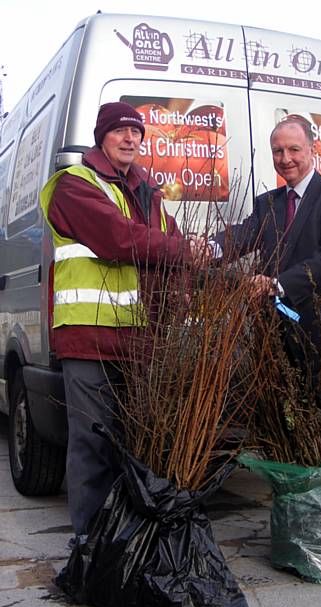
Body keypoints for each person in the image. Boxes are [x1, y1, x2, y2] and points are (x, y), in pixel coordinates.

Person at [40, 102, 196, 537]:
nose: (130, 139)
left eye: (136, 132)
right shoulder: (74, 185)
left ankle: (126, 537)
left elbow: (173, 247)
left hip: (140, 339)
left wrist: (181, 297)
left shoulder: (148, 192)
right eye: (119, 131)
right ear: (101, 136)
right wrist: (183, 250)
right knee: (93, 442)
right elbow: (117, 239)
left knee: (135, 442)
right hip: (90, 338)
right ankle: (92, 543)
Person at [206, 115, 321, 485]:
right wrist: (210, 247)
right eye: (278, 151)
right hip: (285, 343)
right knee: (298, 441)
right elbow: (244, 235)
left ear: (312, 150)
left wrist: (277, 284)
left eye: (294, 149)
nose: (286, 158)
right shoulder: (269, 204)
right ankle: (305, 525)